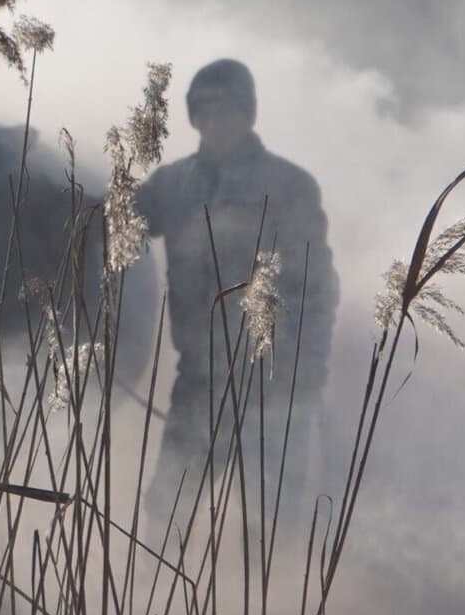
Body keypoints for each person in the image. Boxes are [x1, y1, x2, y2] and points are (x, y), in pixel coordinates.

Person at [134, 59, 338, 520]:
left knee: (270, 519)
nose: (214, 122)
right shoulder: (173, 184)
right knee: (167, 507)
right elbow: (116, 223)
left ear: (247, 113)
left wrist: (308, 372)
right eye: (203, 112)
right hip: (199, 380)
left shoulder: (290, 187)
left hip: (275, 382)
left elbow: (317, 288)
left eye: (225, 111)